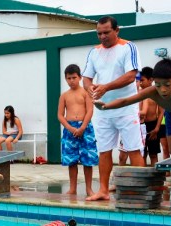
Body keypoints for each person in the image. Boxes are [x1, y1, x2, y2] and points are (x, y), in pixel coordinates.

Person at [82, 16, 144, 201]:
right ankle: (102, 190)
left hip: (126, 107)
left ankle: (138, 191)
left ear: (117, 30)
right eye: (99, 33)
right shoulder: (94, 52)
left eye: (106, 32)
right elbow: (86, 78)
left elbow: (131, 75)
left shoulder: (128, 47)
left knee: (133, 149)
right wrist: (90, 88)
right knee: (104, 150)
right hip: (102, 109)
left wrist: (106, 87)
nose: (102, 36)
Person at [57, 64, 98, 196]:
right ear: (65, 79)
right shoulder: (64, 96)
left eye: (74, 77)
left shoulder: (86, 93)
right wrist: (69, 127)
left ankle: (89, 189)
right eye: (69, 78)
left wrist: (83, 127)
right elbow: (59, 115)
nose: (71, 81)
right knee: (71, 160)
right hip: (70, 129)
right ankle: (73, 188)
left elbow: (90, 110)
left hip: (85, 128)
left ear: (80, 77)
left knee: (88, 159)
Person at [139, 66, 164, 166]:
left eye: (142, 80)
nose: (140, 83)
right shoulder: (139, 93)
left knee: (153, 154)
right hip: (141, 126)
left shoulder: (156, 93)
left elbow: (161, 112)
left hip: (153, 126)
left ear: (151, 80)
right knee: (142, 153)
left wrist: (157, 128)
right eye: (139, 80)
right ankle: (143, 176)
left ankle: (155, 176)